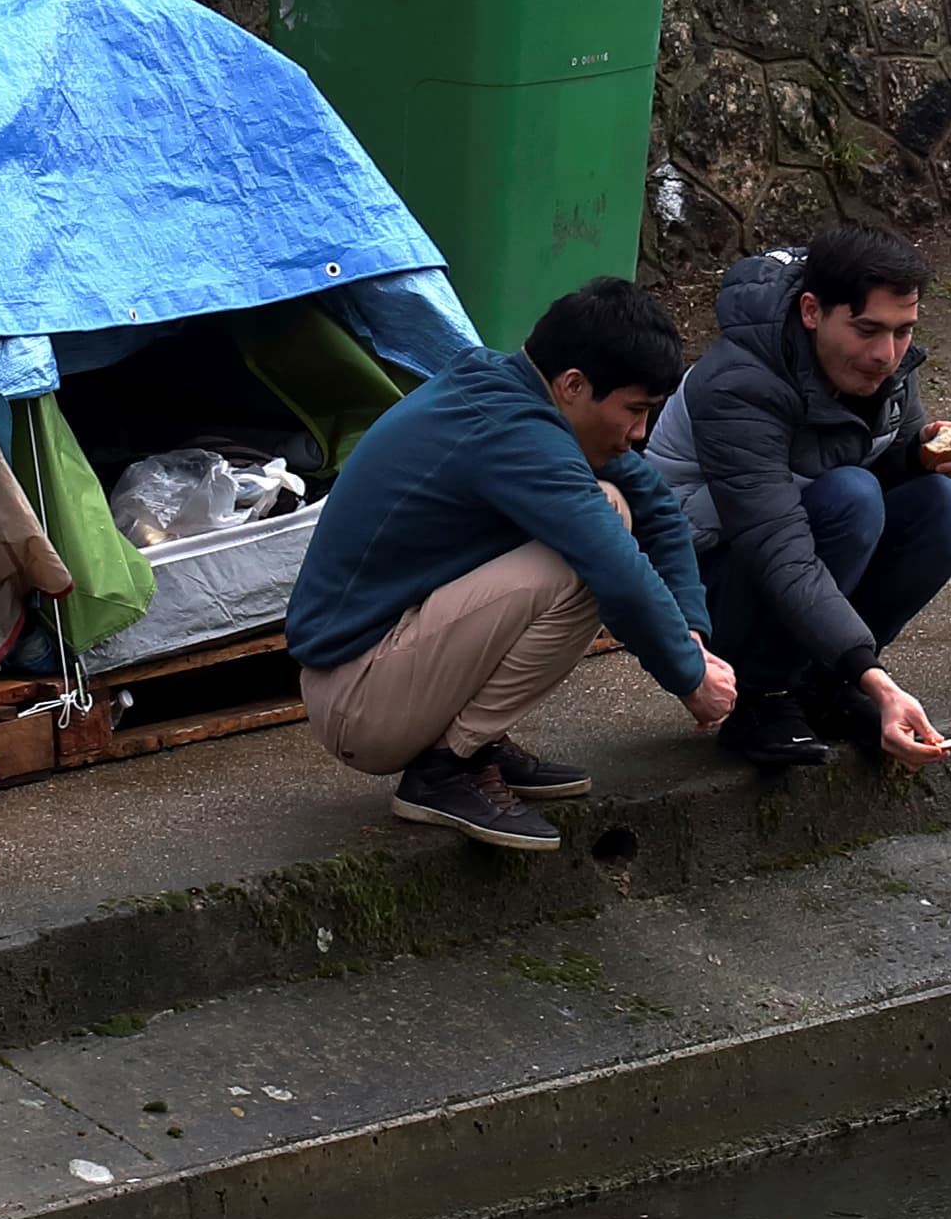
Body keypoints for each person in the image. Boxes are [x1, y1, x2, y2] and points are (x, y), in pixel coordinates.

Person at [284, 277, 737, 850]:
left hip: (382, 662)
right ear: (574, 384)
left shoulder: (515, 392)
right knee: (590, 554)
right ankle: (448, 766)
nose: (639, 433)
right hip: (357, 696)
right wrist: (689, 678)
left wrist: (692, 632)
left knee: (614, 506)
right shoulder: (513, 432)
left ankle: (475, 743)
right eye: (635, 410)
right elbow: (619, 573)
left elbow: (660, 511)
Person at [646, 223, 951, 769]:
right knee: (852, 496)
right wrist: (876, 678)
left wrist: (923, 455)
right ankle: (763, 694)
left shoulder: (884, 362)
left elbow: (883, 461)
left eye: (902, 331)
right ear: (810, 312)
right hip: (700, 592)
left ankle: (822, 684)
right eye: (868, 330)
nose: (885, 354)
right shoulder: (738, 384)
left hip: (792, 550)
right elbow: (778, 544)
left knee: (945, 504)